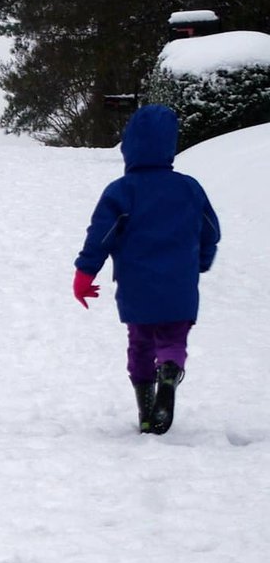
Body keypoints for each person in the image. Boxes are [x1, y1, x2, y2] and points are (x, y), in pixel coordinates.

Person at [73, 103, 222, 435]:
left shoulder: (121, 191)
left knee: (140, 344)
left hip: (136, 287)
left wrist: (85, 273)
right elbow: (210, 230)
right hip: (179, 286)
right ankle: (169, 372)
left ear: (129, 146)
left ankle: (145, 409)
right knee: (173, 339)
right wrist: (201, 261)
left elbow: (101, 236)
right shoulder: (190, 188)